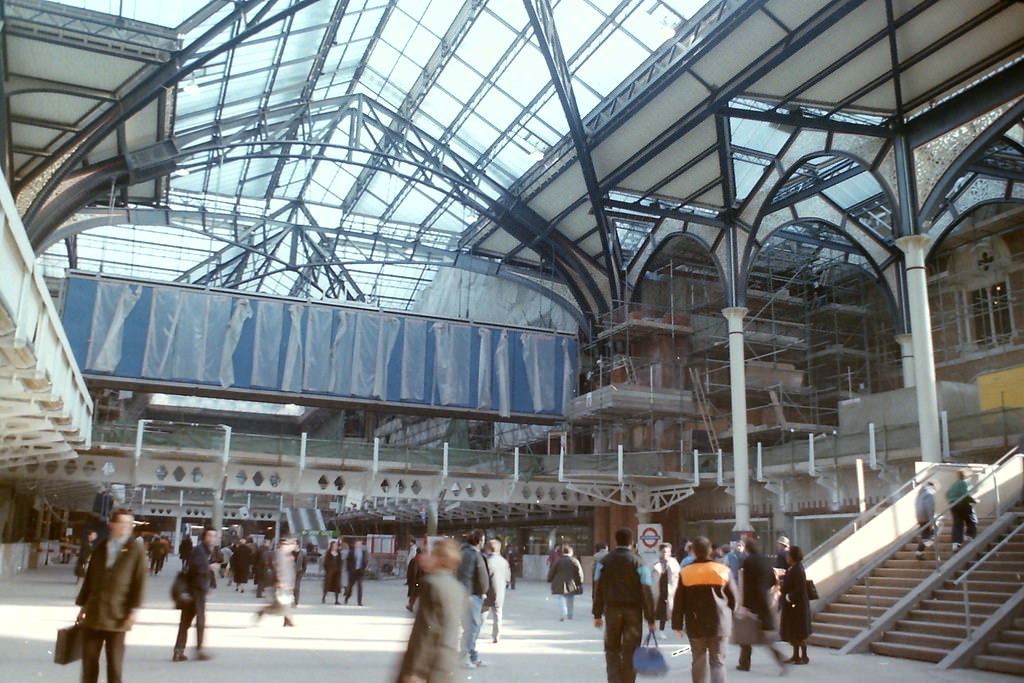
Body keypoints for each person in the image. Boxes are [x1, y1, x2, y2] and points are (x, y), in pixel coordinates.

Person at [75, 509, 146, 683]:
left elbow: (139, 582)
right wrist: (83, 606)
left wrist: (133, 610)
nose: (126, 528)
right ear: (111, 524)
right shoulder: (101, 547)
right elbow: (90, 579)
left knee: (114, 665)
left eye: (129, 524)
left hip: (118, 615)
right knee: (89, 663)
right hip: (94, 613)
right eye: (122, 523)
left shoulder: (136, 549)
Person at [395, 538, 467, 683]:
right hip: (446, 663)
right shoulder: (457, 587)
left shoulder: (431, 584)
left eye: (429, 554)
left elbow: (424, 632)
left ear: (440, 559)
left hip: (426, 669)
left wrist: (414, 670)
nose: (423, 557)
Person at [593, 527, 655, 683]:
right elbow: (646, 591)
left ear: (616, 540)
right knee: (632, 650)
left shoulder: (604, 561)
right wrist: (651, 618)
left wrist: (597, 614)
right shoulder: (640, 562)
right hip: (634, 612)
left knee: (612, 649)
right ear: (632, 542)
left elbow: (597, 588)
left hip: (612, 610)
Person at [672, 536, 737, 683]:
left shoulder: (686, 572)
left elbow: (679, 601)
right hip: (720, 623)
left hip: (695, 624)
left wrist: (677, 624)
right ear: (710, 551)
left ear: (693, 552)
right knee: (718, 662)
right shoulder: (723, 571)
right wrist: (730, 618)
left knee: (698, 660)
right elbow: (734, 599)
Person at [736, 538, 786, 673]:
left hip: (752, 602)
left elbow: (746, 585)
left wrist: (745, 605)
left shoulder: (748, 561)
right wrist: (764, 590)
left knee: (746, 633)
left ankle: (744, 663)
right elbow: (771, 578)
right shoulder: (764, 559)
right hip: (762, 601)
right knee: (764, 635)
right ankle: (778, 658)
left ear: (747, 548)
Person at [173, 527, 219, 662]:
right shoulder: (200, 550)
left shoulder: (205, 551)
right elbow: (195, 567)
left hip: (194, 590)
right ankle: (199, 650)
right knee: (199, 622)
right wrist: (209, 567)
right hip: (196, 591)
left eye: (214, 536)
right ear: (204, 537)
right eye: (210, 536)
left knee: (186, 622)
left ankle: (179, 651)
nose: (212, 538)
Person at [457, 529, 491, 669]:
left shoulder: (473, 553)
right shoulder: (470, 554)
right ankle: (464, 657)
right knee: (471, 627)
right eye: (483, 539)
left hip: (476, 595)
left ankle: (472, 656)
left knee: (474, 627)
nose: (484, 542)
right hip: (471, 596)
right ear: (479, 540)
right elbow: (465, 576)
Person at [780, 545, 812, 665]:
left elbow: (800, 589)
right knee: (794, 631)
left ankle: (803, 656)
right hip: (793, 606)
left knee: (800, 632)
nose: (787, 557)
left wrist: (789, 597)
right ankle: (795, 655)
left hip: (797, 606)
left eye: (788, 555)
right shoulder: (793, 568)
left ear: (793, 556)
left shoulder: (798, 569)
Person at [257, 536, 297, 626]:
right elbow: (280, 568)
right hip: (282, 583)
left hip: (287, 583)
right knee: (280, 604)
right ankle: (262, 612)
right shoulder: (281, 554)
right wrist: (280, 580)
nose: (294, 545)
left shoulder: (287, 554)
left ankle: (287, 619)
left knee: (286, 602)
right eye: (293, 543)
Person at [483, 539, 511, 643]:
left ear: (488, 549)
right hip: (499, 592)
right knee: (498, 614)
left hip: (487, 591)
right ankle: (496, 636)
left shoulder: (486, 561)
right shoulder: (504, 561)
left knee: (482, 614)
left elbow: (483, 577)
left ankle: (476, 633)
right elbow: (508, 577)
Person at [547, 544, 584, 621]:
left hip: (559, 582)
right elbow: (579, 573)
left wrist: (549, 579)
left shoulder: (558, 560)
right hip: (572, 582)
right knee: (570, 598)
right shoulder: (574, 560)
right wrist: (580, 582)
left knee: (561, 597)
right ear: (571, 552)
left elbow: (552, 571)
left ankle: (563, 613)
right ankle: (570, 615)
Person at [651, 542, 680, 632]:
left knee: (668, 611)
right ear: (659, 552)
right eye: (663, 552)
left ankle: (664, 629)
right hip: (657, 590)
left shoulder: (674, 564)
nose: (665, 554)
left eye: (667, 552)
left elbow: (678, 577)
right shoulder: (654, 563)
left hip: (670, 591)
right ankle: (657, 629)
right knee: (657, 611)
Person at [947, 470, 977, 551]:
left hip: (953, 504)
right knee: (972, 520)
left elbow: (947, 494)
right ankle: (969, 536)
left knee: (957, 524)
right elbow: (967, 494)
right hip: (963, 503)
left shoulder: (954, 484)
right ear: (968, 476)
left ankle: (956, 543)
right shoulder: (966, 483)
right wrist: (974, 501)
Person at [915, 481, 937, 560]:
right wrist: (932, 519)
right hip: (926, 517)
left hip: (920, 517)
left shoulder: (920, 494)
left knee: (926, 534)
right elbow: (929, 508)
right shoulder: (929, 494)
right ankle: (920, 551)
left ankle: (922, 549)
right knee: (929, 534)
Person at [345, 538, 368, 605]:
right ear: (355, 545)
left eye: (360, 544)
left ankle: (359, 602)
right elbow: (348, 561)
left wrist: (364, 568)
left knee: (360, 586)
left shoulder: (363, 552)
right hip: (352, 572)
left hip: (360, 571)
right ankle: (347, 597)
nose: (360, 545)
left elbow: (365, 561)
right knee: (350, 586)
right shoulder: (351, 552)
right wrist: (349, 570)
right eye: (358, 544)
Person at [323, 540, 343, 604]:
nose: (335, 547)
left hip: (337, 572)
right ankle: (324, 597)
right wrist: (327, 570)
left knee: (337, 585)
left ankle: (336, 600)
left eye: (336, 545)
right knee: (327, 584)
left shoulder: (338, 553)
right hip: (330, 572)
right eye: (334, 545)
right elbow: (325, 563)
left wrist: (339, 569)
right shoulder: (328, 553)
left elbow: (340, 562)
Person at [405, 545, 424, 612]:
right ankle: (413, 606)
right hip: (420, 581)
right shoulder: (423, 561)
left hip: (414, 581)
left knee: (413, 594)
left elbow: (410, 571)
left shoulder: (413, 560)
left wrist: (408, 580)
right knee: (418, 594)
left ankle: (411, 605)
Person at [292, 540, 308, 605]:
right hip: (290, 572)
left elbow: (305, 564)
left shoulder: (302, 553)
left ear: (298, 545)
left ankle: (296, 601)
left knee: (297, 587)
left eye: (294, 544)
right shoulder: (290, 553)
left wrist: (302, 572)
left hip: (298, 572)